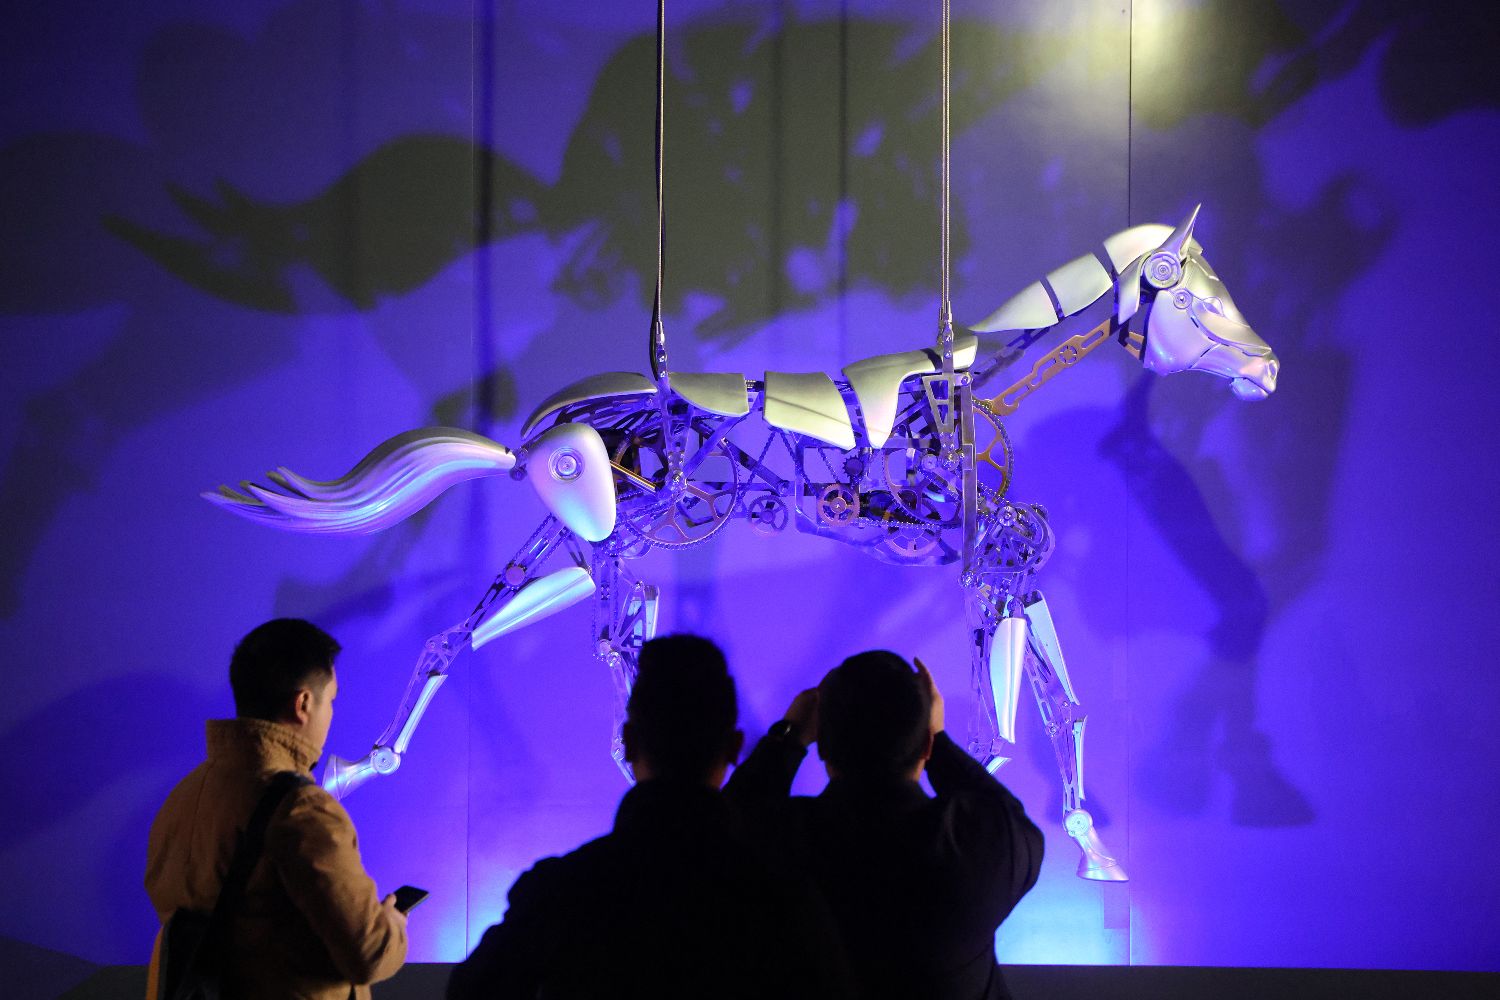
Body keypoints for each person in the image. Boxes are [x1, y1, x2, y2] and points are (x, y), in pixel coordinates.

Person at [448, 633, 850, 1000]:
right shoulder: (781, 901)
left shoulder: (560, 892)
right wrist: (786, 741)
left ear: (629, 742)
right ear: (733, 746)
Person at [726, 651, 1044, 1000]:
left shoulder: (776, 841)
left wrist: (789, 736)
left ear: (823, 745)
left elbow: (724, 828)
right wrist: (939, 741)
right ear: (926, 745)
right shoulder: (983, 850)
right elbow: (1007, 817)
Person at [144, 618, 407, 999]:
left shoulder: (182, 797)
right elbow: (368, 953)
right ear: (303, 704)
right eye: (331, 700)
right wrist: (392, 926)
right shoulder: (303, 810)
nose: (331, 714)